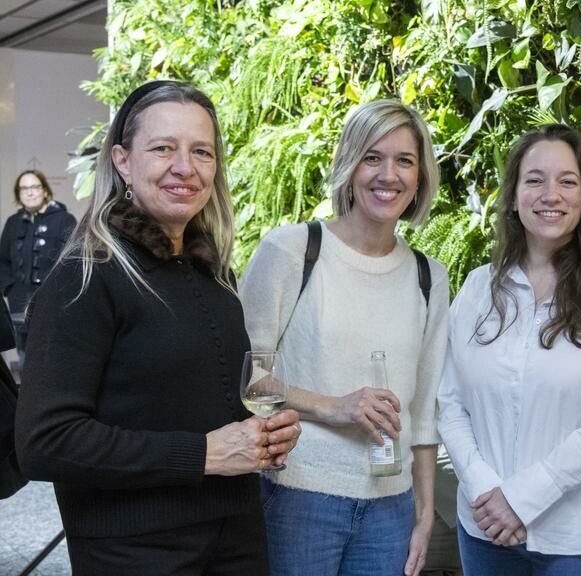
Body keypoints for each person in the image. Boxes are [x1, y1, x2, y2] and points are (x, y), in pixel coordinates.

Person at [14, 80, 301, 575]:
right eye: (163, 148)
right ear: (123, 160)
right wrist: (204, 453)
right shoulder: (85, 277)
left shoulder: (213, 273)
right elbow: (45, 443)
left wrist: (262, 435)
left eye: (201, 151)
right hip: (135, 554)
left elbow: (196, 399)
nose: (185, 167)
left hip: (236, 539)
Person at [240, 99, 449, 576]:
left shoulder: (428, 277)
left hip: (390, 508)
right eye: (372, 157)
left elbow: (423, 411)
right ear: (349, 165)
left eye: (405, 161)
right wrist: (332, 405)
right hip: (298, 493)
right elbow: (248, 375)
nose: (388, 174)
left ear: (420, 176)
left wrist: (422, 514)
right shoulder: (292, 251)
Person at [437, 124, 581, 575]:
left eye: (567, 181)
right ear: (514, 197)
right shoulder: (478, 288)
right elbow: (450, 402)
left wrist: (522, 498)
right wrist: (485, 490)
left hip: (576, 539)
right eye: (534, 179)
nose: (550, 194)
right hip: (485, 528)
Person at [0, 169, 76, 361]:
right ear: (18, 194)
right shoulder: (13, 222)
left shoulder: (64, 220)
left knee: (53, 359)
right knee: (25, 359)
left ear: (45, 191)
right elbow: (2, 261)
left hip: (54, 303)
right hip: (19, 305)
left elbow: (73, 262)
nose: (30, 192)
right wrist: (10, 288)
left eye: (34, 186)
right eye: (24, 188)